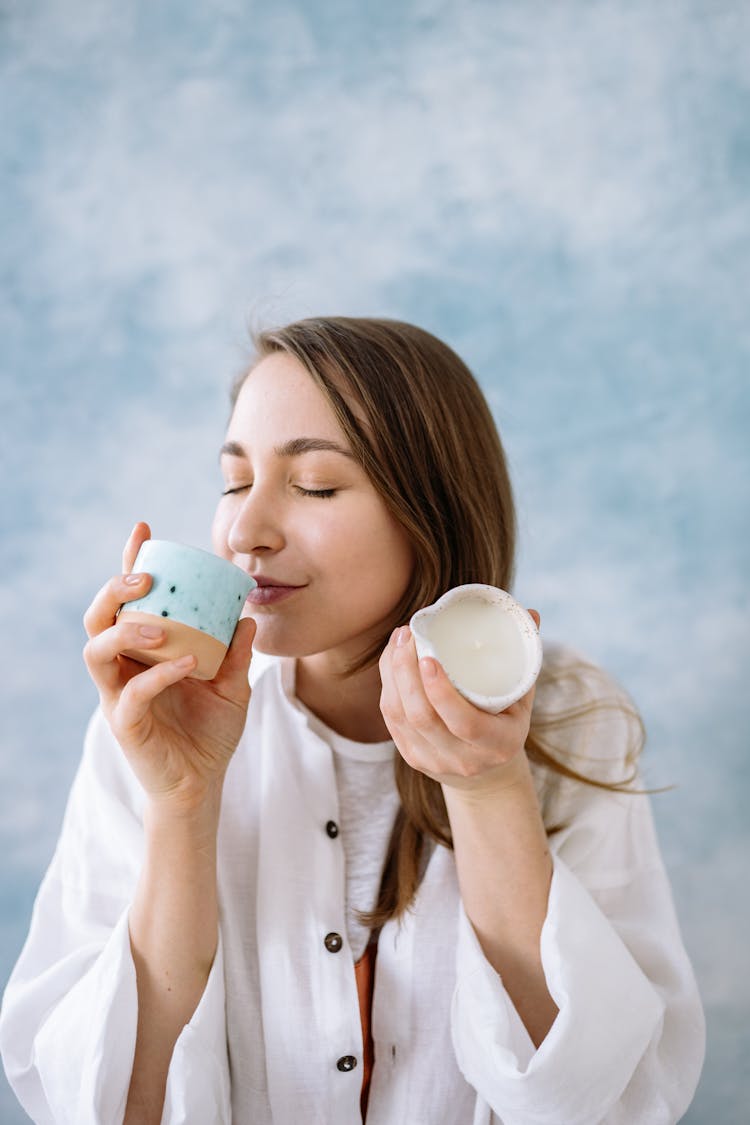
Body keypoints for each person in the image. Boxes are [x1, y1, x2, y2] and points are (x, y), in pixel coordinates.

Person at [1, 317, 704, 1124]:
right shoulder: (155, 714)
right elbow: (106, 1103)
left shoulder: (571, 716)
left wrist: (488, 790)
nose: (244, 532)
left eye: (316, 485)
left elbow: (612, 1102)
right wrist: (182, 804)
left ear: (431, 510)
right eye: (234, 481)